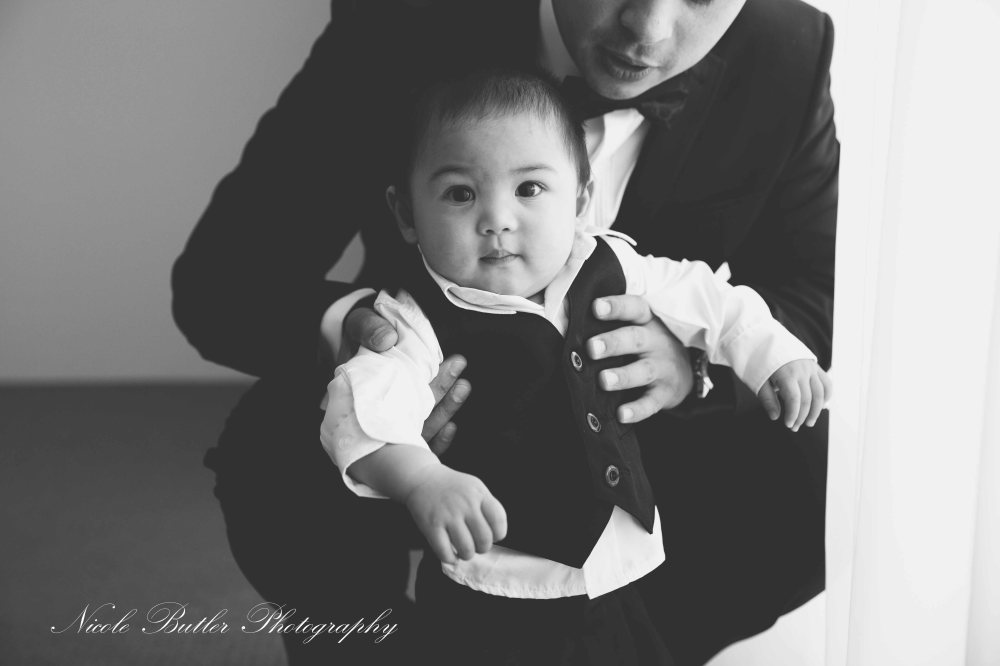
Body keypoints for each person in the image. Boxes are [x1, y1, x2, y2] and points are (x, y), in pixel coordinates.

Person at [171, 1, 837, 664]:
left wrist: (690, 365)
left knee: (817, 482)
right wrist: (363, 339)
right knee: (268, 461)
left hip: (633, 429)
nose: (649, 31)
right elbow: (218, 282)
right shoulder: (396, 21)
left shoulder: (787, 51)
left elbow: (816, 288)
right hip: (425, 401)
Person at [319, 68, 831, 665]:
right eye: (460, 194)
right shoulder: (415, 321)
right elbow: (362, 407)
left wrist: (776, 354)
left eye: (530, 188)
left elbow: (707, 296)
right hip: (496, 581)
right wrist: (421, 480)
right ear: (407, 214)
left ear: (581, 200)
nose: (497, 219)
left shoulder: (606, 263)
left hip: (614, 560)